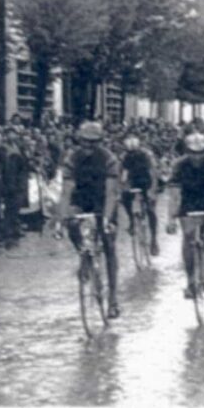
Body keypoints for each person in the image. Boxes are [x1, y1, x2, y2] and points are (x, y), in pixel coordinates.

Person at [58, 121, 122, 319]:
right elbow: (66, 192)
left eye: (93, 143)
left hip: (103, 200)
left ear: (100, 142)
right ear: (80, 141)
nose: (88, 147)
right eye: (85, 142)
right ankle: (84, 253)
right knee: (71, 222)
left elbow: (111, 192)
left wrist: (107, 218)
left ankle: (112, 299)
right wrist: (61, 219)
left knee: (109, 245)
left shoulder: (109, 158)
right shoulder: (72, 158)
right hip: (81, 198)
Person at [165, 132, 204, 299]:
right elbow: (174, 195)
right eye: (193, 153)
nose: (197, 157)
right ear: (187, 151)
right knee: (189, 236)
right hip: (188, 201)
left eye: (200, 153)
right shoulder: (178, 165)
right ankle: (191, 281)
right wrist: (171, 218)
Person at [120, 134, 160, 256]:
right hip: (134, 181)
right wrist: (123, 186)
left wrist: (152, 190)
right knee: (124, 198)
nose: (132, 155)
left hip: (147, 181)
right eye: (129, 152)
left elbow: (152, 173)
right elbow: (124, 174)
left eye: (134, 152)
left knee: (150, 210)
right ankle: (132, 220)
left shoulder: (147, 155)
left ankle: (154, 239)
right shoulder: (125, 157)